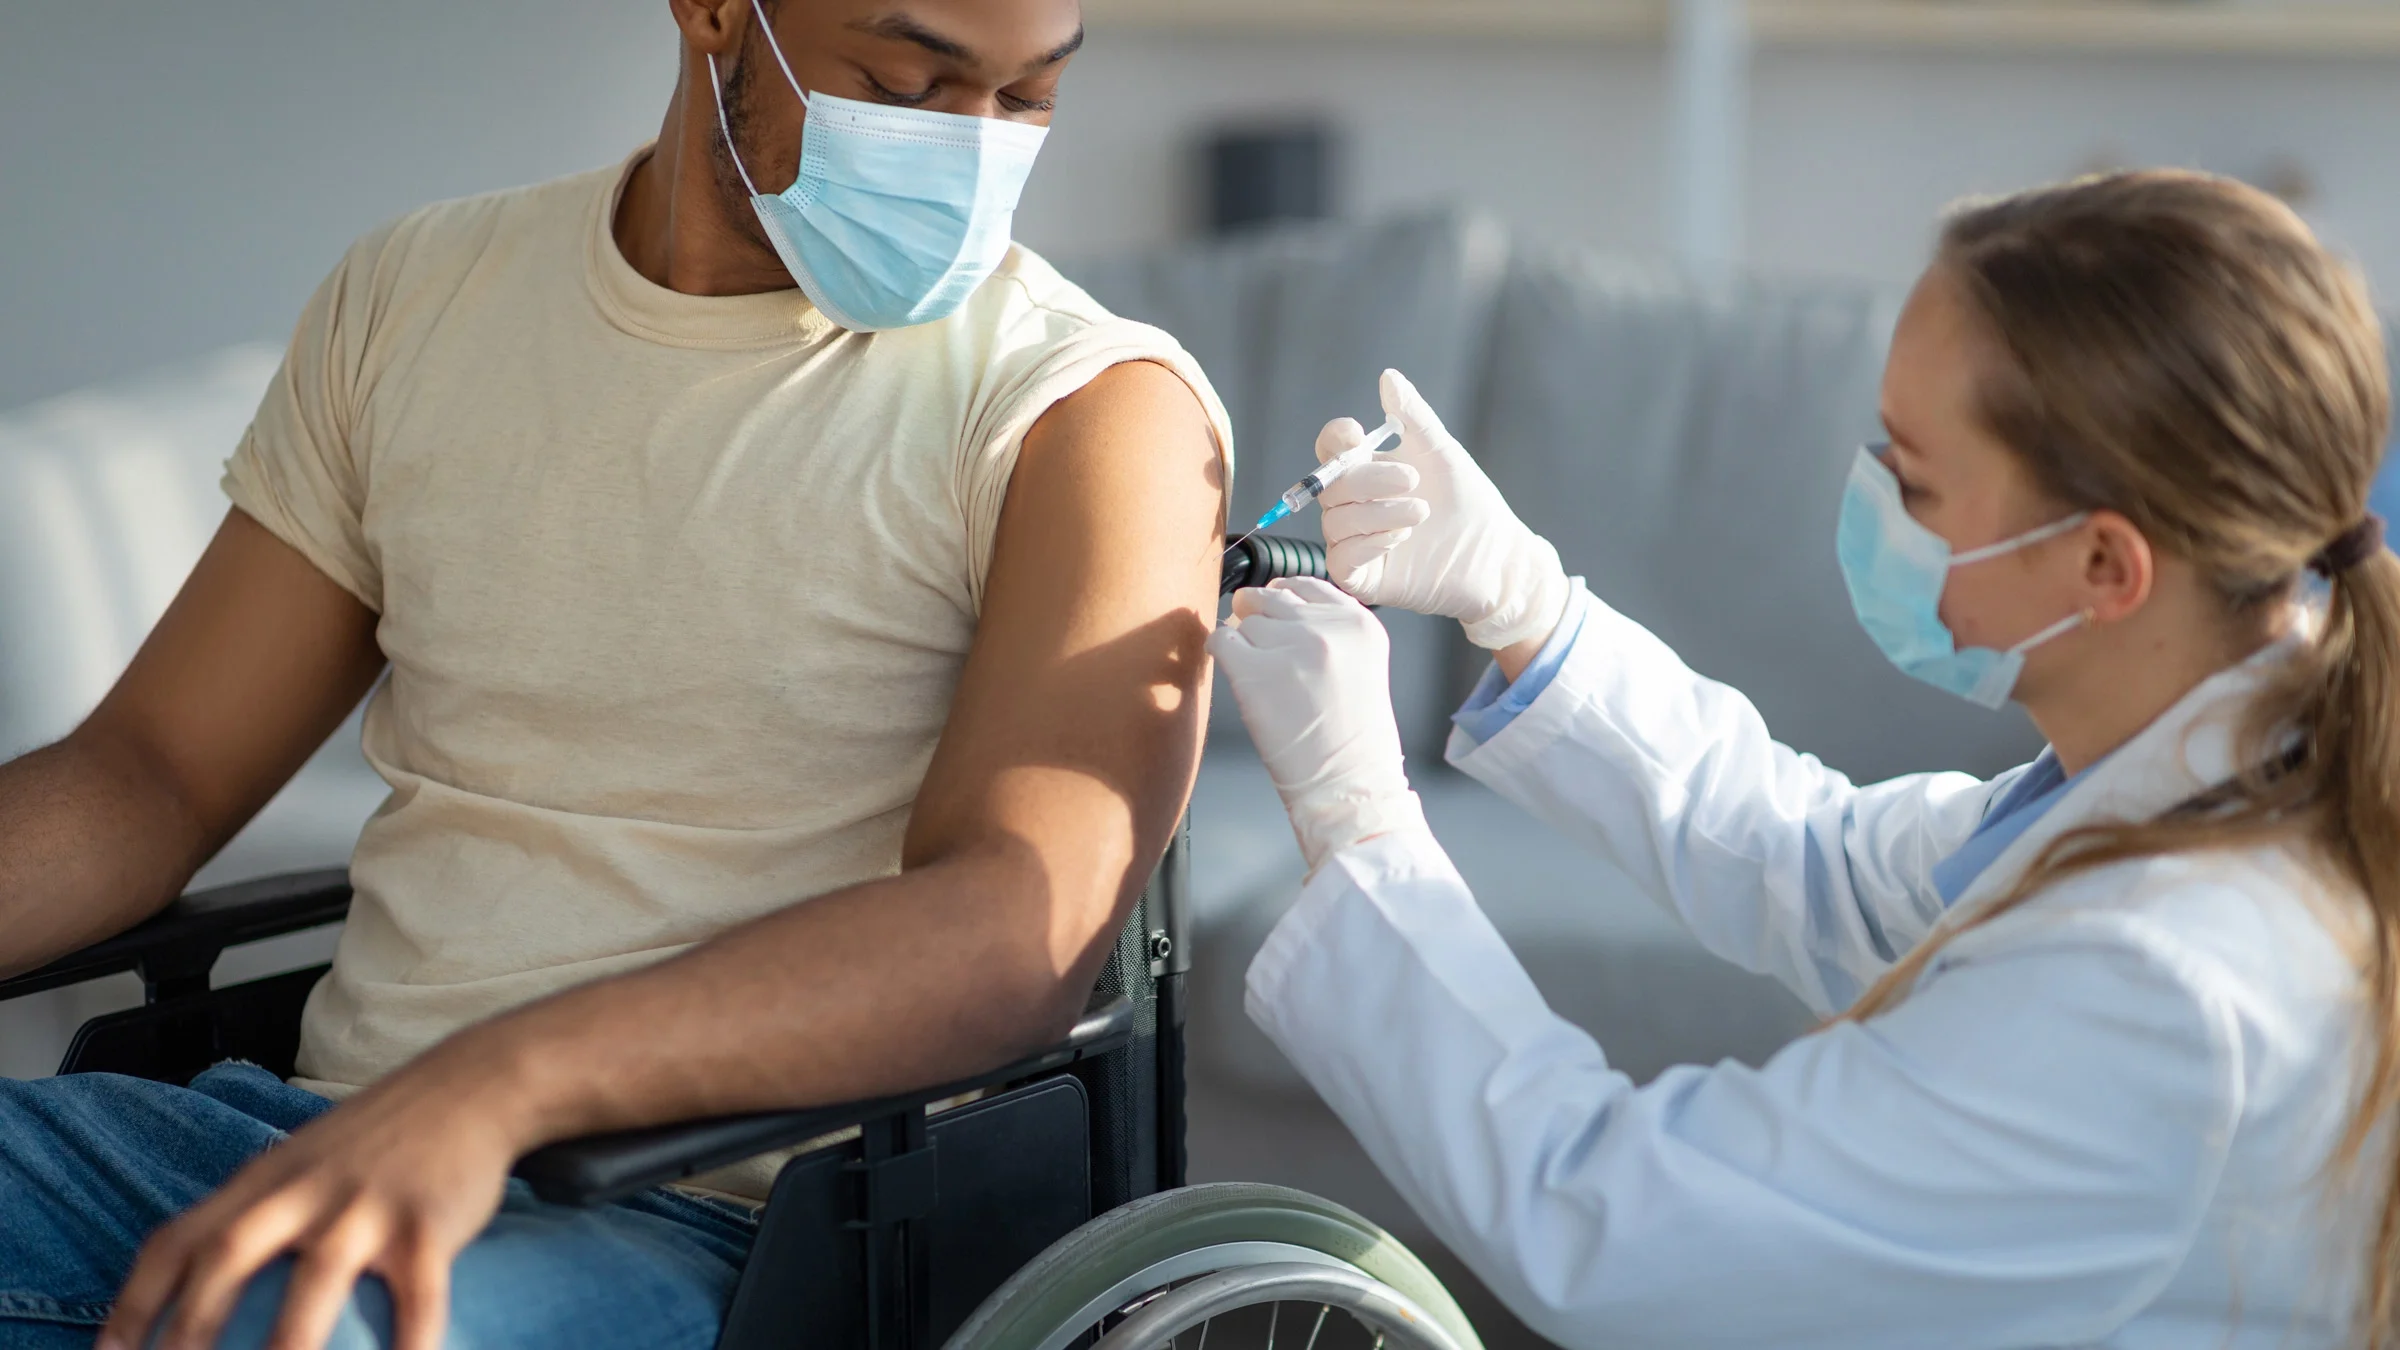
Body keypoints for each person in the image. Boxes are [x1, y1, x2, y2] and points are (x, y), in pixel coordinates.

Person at [0, 1, 1230, 1348]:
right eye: (905, 84)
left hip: (723, 1218)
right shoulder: (422, 292)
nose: (971, 152)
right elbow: (152, 772)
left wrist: (492, 1089)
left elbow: (1012, 927)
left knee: (294, 1326)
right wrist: (422, 1111)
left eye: (1027, 97)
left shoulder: (1091, 412)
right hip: (304, 1135)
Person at [1210, 170, 2400, 1348]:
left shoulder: (2162, 976)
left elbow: (1619, 1227)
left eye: (1915, 481)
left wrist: (1358, 815)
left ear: (2105, 566)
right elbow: (1822, 868)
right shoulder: (2217, 765)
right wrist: (1523, 602)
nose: (1875, 500)